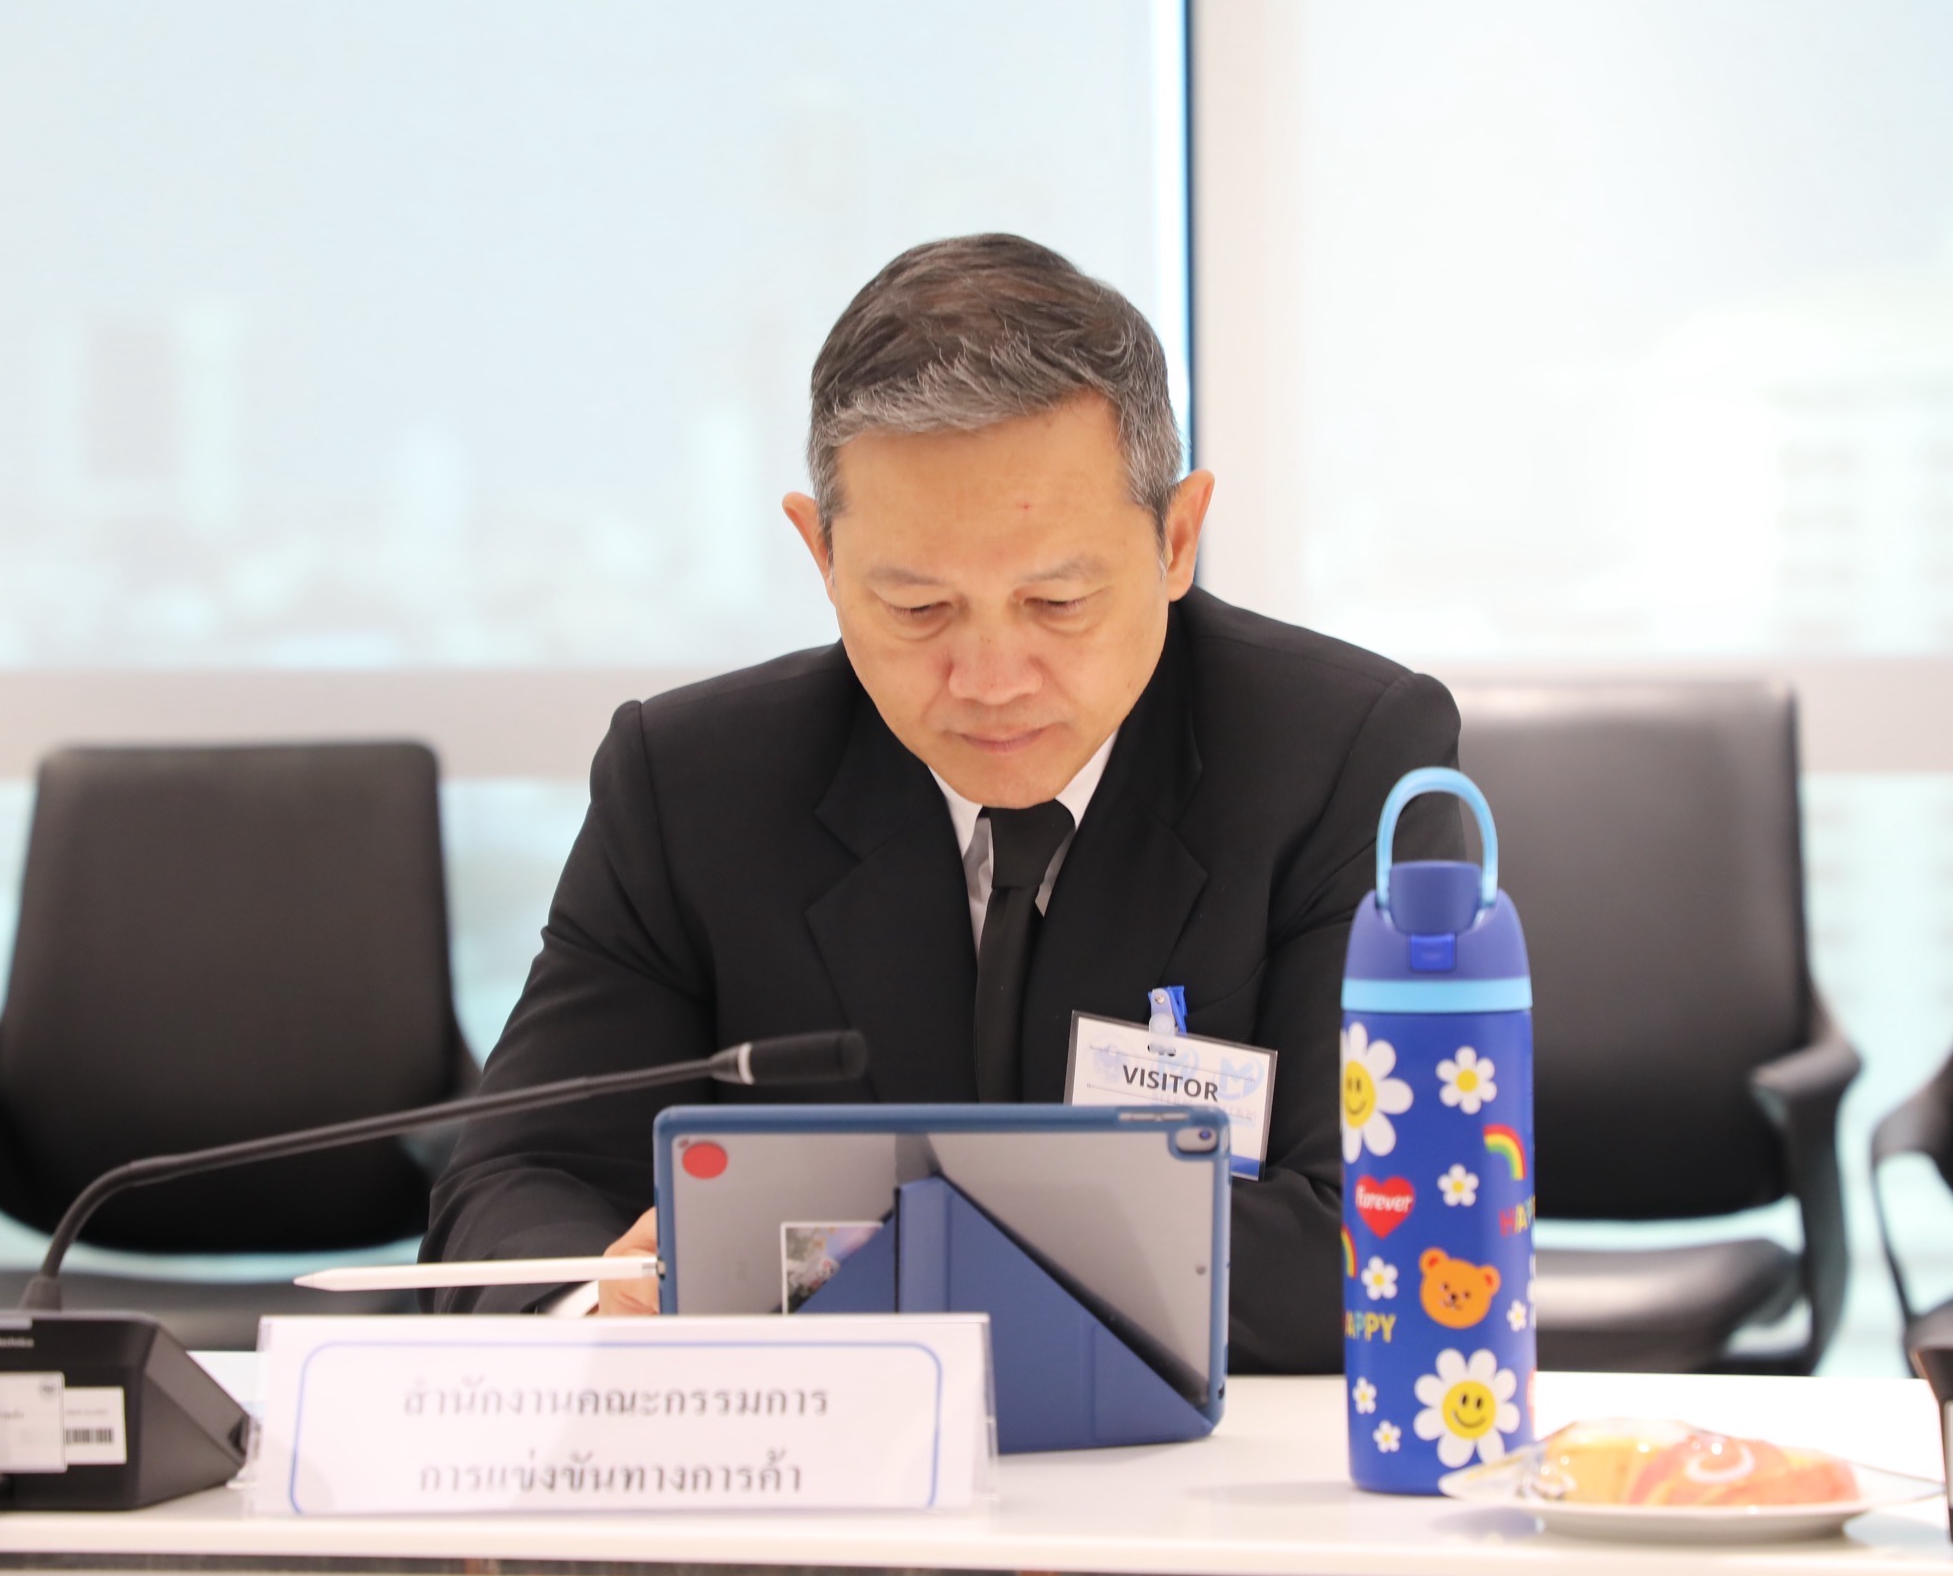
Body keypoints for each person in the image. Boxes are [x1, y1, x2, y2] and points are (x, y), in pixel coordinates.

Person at [421, 233, 1462, 1372]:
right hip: (801, 1454)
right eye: (918, 609)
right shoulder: (691, 783)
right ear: (821, 554)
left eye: (1057, 601)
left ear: (1176, 539)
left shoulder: (1343, 758)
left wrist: (845, 1262)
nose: (990, 679)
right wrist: (599, 1314)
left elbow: (1382, 1238)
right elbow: (518, 1184)